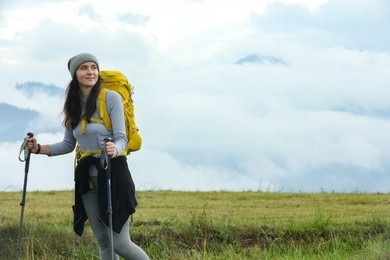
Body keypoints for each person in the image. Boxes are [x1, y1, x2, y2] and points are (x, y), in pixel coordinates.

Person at [27, 53, 150, 260]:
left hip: (113, 172)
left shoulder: (110, 97)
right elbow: (68, 144)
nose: (90, 72)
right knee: (103, 240)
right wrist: (39, 148)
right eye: (84, 68)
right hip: (87, 178)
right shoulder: (72, 104)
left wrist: (114, 150)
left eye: (93, 67)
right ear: (75, 74)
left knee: (120, 243)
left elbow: (122, 138)